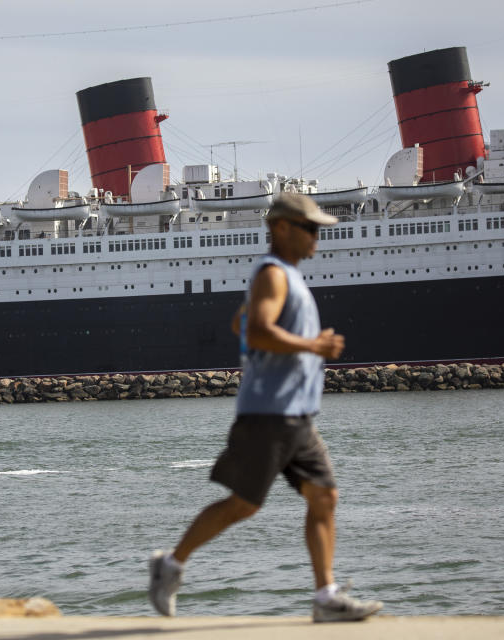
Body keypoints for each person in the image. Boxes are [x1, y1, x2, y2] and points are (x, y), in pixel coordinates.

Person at [148, 192, 383, 623]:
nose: (317, 237)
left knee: (324, 496)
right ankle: (171, 565)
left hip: (297, 415)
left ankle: (326, 597)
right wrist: (313, 344)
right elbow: (256, 330)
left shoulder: (285, 277)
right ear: (281, 228)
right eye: (310, 229)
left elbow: (243, 323)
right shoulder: (274, 275)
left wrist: (266, 339)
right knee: (244, 504)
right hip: (268, 414)